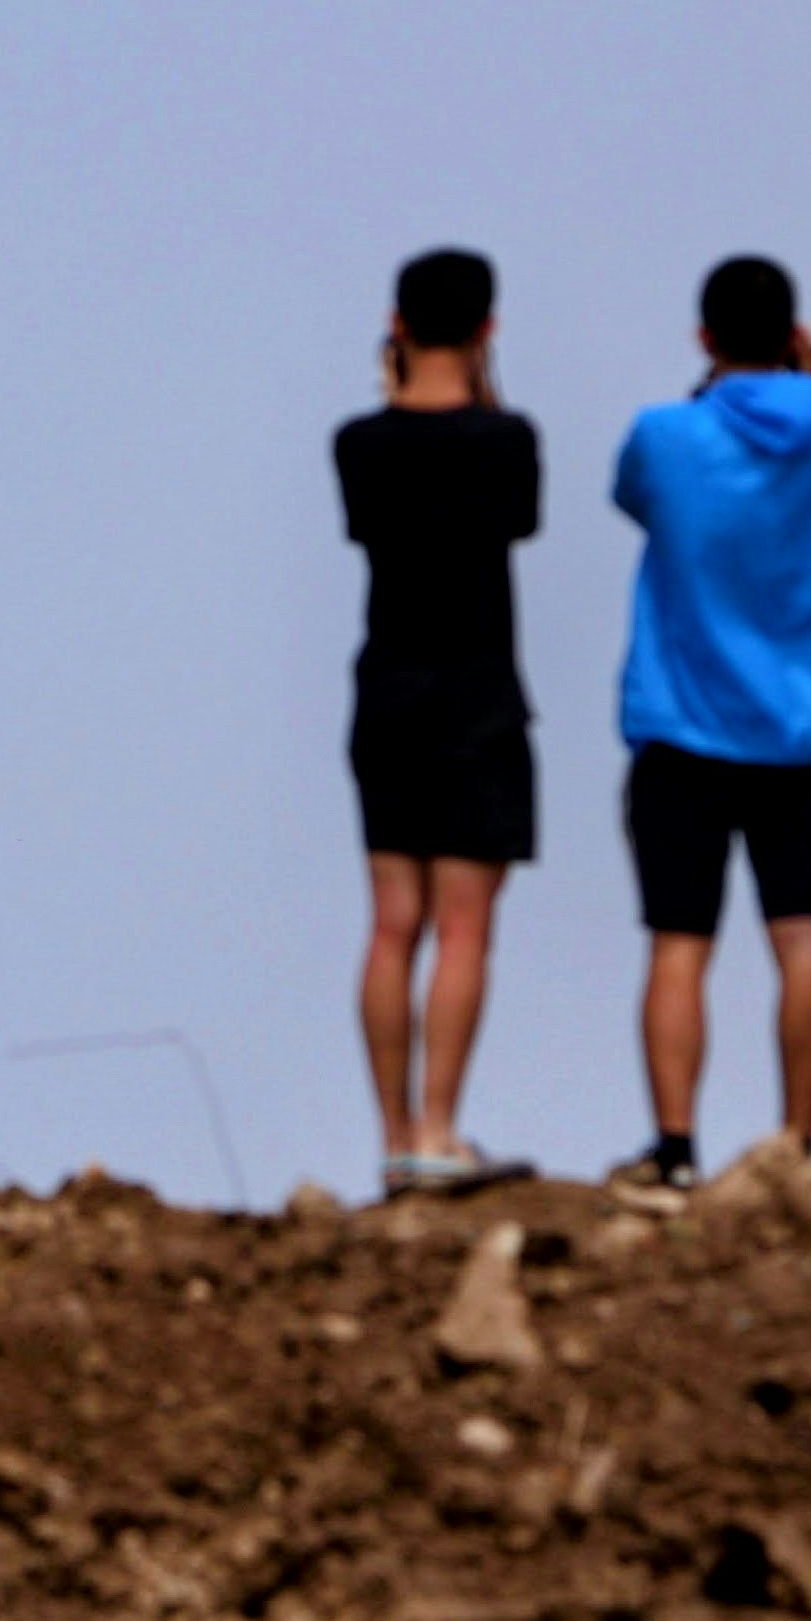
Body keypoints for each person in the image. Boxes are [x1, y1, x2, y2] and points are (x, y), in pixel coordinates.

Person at [603, 256, 811, 1208]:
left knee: (679, 944)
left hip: (686, 724)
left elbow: (633, 495)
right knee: (803, 937)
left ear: (704, 337)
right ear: (796, 332)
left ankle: (675, 1145)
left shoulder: (664, 435)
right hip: (808, 730)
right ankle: (799, 1140)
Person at [332, 248, 540, 1197]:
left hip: (389, 690)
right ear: (488, 326)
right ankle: (438, 1127)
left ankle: (391, 1134)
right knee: (463, 927)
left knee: (392, 925)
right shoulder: (507, 440)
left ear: (397, 323)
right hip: (476, 692)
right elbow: (516, 521)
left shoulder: (359, 444)